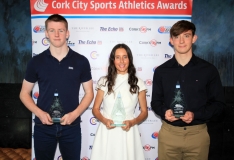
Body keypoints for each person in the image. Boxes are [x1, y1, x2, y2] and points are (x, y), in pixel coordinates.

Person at [19, 14, 94, 160]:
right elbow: (24, 93)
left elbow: (89, 92)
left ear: (67, 33)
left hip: (71, 127)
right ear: (46, 33)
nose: (57, 34)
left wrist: (74, 114)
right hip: (43, 127)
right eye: (52, 30)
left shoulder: (81, 61)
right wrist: (39, 113)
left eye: (61, 30)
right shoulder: (36, 62)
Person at [151, 20, 225, 160]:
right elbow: (156, 102)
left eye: (186, 35)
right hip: (169, 136)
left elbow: (219, 104)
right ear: (171, 40)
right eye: (177, 36)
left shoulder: (208, 70)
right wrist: (164, 112)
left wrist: (195, 115)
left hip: (197, 136)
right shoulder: (161, 71)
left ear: (194, 38)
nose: (181, 41)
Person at [90, 43, 148, 160]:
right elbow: (95, 109)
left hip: (128, 132)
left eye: (125, 57)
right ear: (113, 60)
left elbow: (144, 112)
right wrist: (105, 120)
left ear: (130, 59)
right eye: (117, 57)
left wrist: (132, 122)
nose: (121, 61)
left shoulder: (139, 83)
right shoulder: (104, 81)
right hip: (107, 132)